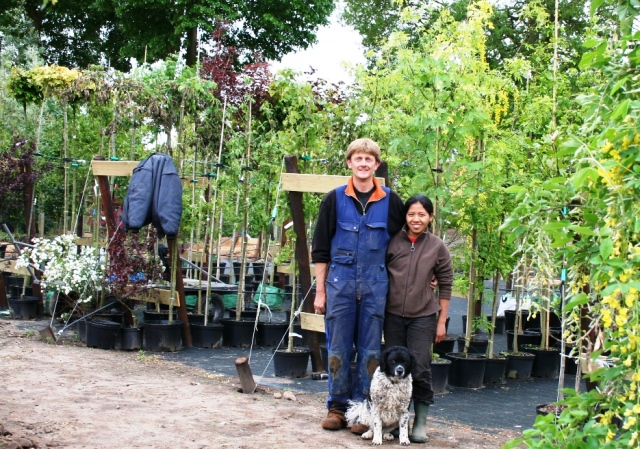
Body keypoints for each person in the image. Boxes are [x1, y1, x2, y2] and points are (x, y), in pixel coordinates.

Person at [311, 138, 405, 433]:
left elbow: (404, 244)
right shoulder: (334, 199)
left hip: (376, 286)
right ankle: (337, 408)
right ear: (349, 163)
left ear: (377, 165)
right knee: (337, 347)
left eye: (369, 159)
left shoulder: (391, 201)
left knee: (369, 352)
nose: (363, 164)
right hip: (340, 285)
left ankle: (365, 410)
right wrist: (321, 291)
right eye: (358, 158)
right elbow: (321, 250)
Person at [384, 194, 453, 443]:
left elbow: (446, 283)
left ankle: (420, 422)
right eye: (412, 214)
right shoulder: (393, 242)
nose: (416, 219)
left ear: (430, 217)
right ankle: (392, 421)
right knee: (392, 368)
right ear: (405, 216)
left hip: (423, 316)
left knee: (421, 368)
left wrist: (442, 320)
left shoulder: (437, 246)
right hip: (392, 316)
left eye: (422, 215)